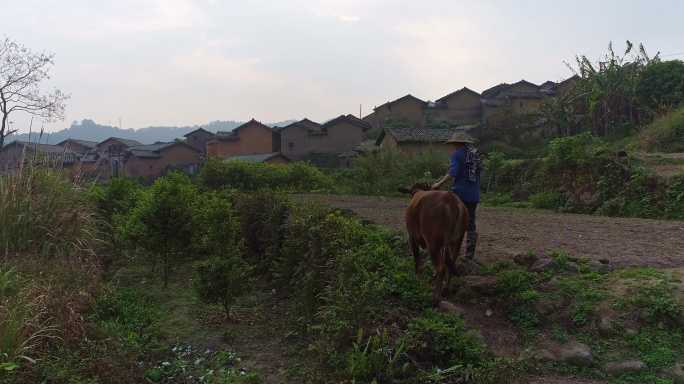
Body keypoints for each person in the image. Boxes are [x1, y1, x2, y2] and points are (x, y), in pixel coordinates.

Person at [431, 131, 482, 260]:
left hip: (459, 194)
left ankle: (450, 252)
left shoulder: (457, 154)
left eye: (453, 144)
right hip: (474, 194)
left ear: (455, 143)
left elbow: (453, 173)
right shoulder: (475, 154)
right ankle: (469, 256)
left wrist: (438, 184)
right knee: (470, 223)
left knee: (451, 222)